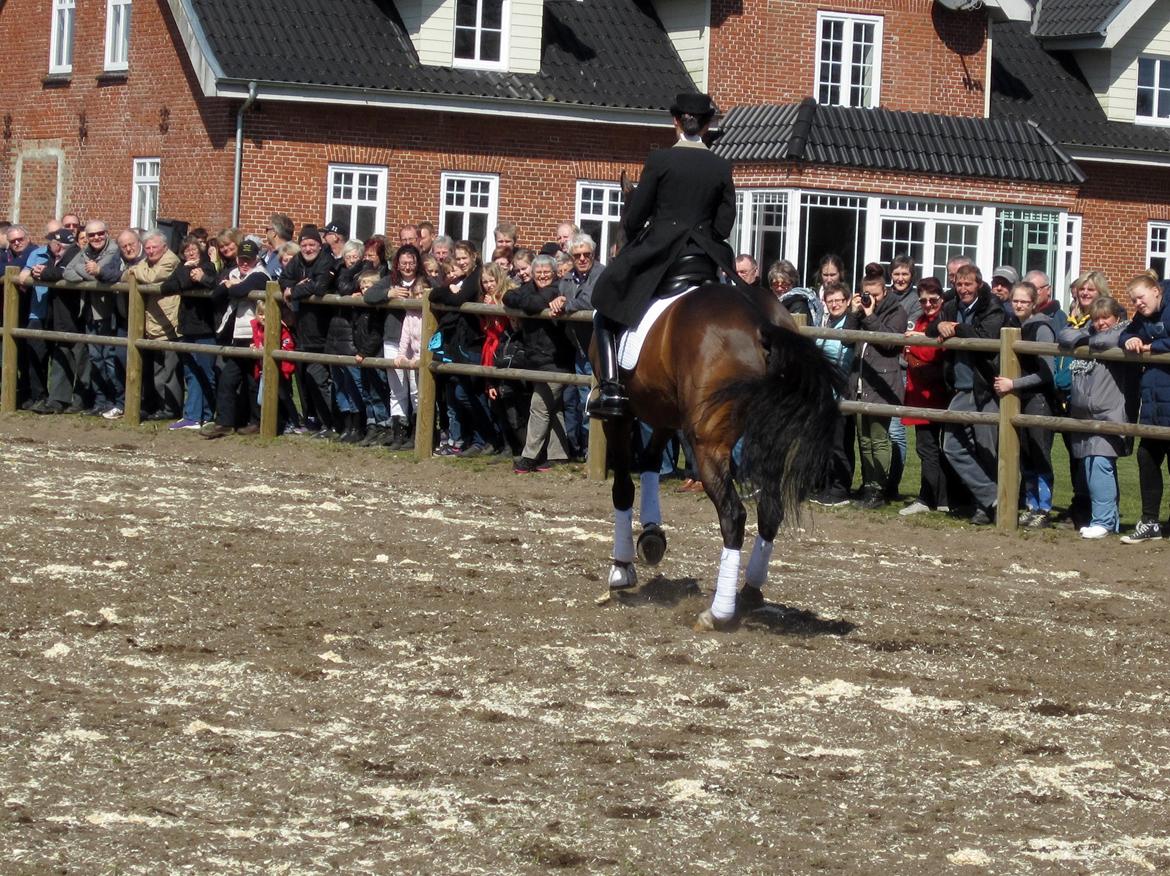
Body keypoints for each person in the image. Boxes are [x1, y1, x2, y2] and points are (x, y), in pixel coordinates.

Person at [587, 92, 739, 419]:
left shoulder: (660, 160)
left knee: (605, 303)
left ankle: (611, 389)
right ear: (708, 125)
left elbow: (634, 216)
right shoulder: (721, 166)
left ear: (676, 122)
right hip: (705, 260)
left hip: (664, 258)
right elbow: (725, 223)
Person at [926, 263, 1006, 525]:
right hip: (960, 389)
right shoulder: (950, 306)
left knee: (987, 449)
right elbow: (931, 327)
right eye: (959, 285)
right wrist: (940, 327)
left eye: (968, 284)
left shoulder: (991, 306)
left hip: (983, 388)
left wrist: (956, 329)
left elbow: (987, 335)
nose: (963, 290)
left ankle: (992, 505)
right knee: (952, 446)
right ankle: (993, 497)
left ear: (979, 284)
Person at [1059, 297, 1136, 538]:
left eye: (1106, 318)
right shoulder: (1089, 332)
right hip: (1084, 414)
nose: (1101, 322)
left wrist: (1086, 341)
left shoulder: (1125, 331)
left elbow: (1112, 338)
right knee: (1090, 467)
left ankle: (1103, 520)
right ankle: (1106, 521)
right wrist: (1087, 338)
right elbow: (1064, 335)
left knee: (1100, 464)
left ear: (1117, 317)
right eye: (1096, 318)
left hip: (1110, 412)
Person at [993, 281, 1057, 528]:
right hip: (1021, 398)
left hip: (1038, 399)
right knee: (1026, 455)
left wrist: (1013, 384)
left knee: (1040, 453)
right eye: (1015, 301)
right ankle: (1031, 504)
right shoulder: (1014, 326)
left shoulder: (1041, 327)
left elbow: (1046, 372)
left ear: (1034, 303)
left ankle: (1045, 507)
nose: (1019, 305)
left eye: (1024, 301)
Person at [504, 254, 575, 471]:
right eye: (538, 273)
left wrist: (528, 302)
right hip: (537, 359)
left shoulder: (557, 289)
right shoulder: (529, 288)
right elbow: (508, 296)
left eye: (547, 272)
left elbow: (534, 303)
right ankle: (558, 454)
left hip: (556, 359)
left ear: (554, 274)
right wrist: (526, 301)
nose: (543, 276)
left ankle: (529, 456)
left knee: (539, 405)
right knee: (552, 407)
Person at [849, 263, 908, 509]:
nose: (868, 299)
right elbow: (847, 339)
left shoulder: (898, 311)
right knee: (863, 438)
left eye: (874, 295)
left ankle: (879, 488)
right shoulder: (860, 312)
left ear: (884, 291)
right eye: (866, 294)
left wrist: (870, 315)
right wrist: (853, 313)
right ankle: (868, 484)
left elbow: (888, 344)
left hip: (883, 382)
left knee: (879, 437)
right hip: (860, 380)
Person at [1119, 274, 1170, 543]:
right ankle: (1149, 521)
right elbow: (1126, 332)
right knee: (1147, 459)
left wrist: (1151, 346)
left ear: (1156, 291)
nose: (1137, 303)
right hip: (1152, 404)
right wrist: (1129, 340)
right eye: (1133, 300)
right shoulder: (1144, 316)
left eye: (1141, 297)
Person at [203, 240, 270, 438]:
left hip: (253, 334)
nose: (244, 263)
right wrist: (232, 286)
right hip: (236, 335)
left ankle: (256, 422)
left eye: (248, 259)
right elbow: (216, 295)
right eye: (242, 258)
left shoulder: (260, 275)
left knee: (253, 381)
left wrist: (232, 287)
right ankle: (225, 422)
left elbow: (239, 291)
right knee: (228, 380)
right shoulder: (233, 273)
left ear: (256, 259)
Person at [899, 277, 953, 515]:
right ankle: (936, 496)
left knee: (935, 447)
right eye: (923, 300)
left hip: (936, 392)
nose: (928, 304)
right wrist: (913, 353)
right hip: (919, 391)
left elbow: (935, 356)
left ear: (941, 298)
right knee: (927, 446)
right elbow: (907, 351)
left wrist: (915, 353)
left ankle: (931, 497)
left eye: (933, 300)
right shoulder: (920, 320)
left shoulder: (942, 321)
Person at [161, 234, 218, 429]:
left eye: (193, 248)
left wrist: (188, 277)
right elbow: (167, 287)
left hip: (205, 328)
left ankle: (209, 415)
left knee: (206, 372)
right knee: (191, 372)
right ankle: (193, 415)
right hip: (187, 327)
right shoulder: (182, 268)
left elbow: (195, 282)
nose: (190, 252)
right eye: (186, 250)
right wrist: (186, 272)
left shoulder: (208, 266)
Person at [124, 230, 182, 420]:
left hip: (169, 322)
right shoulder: (147, 263)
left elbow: (152, 277)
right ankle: (160, 406)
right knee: (157, 369)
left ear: (164, 247)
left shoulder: (170, 260)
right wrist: (134, 271)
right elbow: (125, 276)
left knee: (170, 370)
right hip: (152, 325)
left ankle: (172, 408)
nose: (150, 251)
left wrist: (134, 271)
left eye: (154, 247)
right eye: (147, 247)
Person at [810, 281, 857, 506]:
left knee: (841, 442)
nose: (835, 304)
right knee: (827, 441)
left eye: (839, 300)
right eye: (831, 301)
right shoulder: (826, 322)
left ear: (847, 301)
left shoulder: (850, 322)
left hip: (842, 391)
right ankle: (827, 484)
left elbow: (850, 340)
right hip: (824, 393)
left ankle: (841, 488)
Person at [768, 259, 823, 326]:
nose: (779, 288)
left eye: (784, 284)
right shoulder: (772, 305)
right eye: (775, 284)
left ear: (793, 284)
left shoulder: (799, 306)